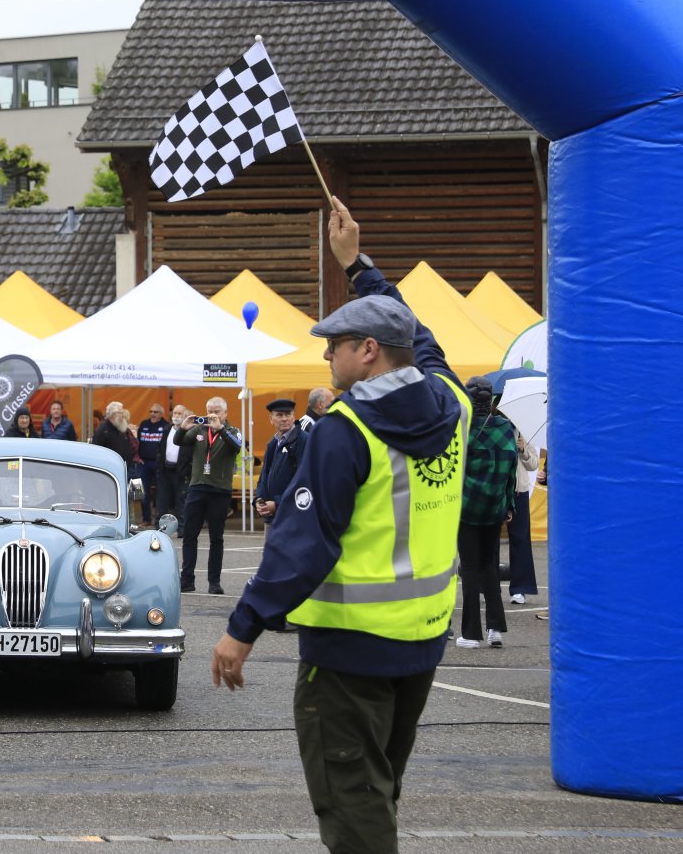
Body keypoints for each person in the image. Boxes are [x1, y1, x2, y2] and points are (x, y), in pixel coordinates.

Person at [212, 196, 470, 854]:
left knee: (355, 804)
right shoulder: (454, 401)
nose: (328, 356)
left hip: (350, 652)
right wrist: (357, 266)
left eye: (336, 345)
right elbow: (420, 337)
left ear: (368, 351)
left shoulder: (343, 431)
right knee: (378, 789)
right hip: (422, 639)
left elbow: (303, 544)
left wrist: (243, 626)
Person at [457, 378, 517, 648]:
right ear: (491, 399)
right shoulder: (505, 428)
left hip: (467, 507)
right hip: (495, 507)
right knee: (488, 566)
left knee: (469, 567)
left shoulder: (463, 429)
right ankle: (496, 629)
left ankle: (471, 634)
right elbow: (511, 471)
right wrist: (509, 505)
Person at [175, 397, 244, 594]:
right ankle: (187, 579)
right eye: (210, 411)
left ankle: (214, 582)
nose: (212, 415)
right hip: (197, 487)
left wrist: (220, 429)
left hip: (219, 490)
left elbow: (236, 446)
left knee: (216, 537)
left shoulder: (232, 431)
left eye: (217, 411)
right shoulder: (199, 429)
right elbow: (178, 441)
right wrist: (182, 428)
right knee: (190, 535)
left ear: (225, 413)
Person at [255, 398, 304, 528]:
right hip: (271, 517)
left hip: (293, 517)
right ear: (271, 419)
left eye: (288, 414)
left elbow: (304, 481)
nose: (284, 419)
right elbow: (264, 476)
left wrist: (278, 503)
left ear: (294, 416)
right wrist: (259, 499)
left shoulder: (303, 441)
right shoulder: (273, 443)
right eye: (279, 415)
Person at [507, 429, 540, 604]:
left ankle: (519, 589)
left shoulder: (523, 432)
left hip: (518, 491)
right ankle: (486, 586)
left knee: (520, 539)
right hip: (495, 489)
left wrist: (523, 450)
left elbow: (533, 464)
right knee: (488, 539)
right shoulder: (492, 426)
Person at [134, 403, 171, 525]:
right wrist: (137, 457)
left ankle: (160, 519)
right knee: (141, 491)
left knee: (161, 492)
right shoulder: (144, 424)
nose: (152, 414)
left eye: (155, 412)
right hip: (144, 463)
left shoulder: (166, 426)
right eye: (151, 411)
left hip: (159, 464)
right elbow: (136, 442)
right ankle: (146, 519)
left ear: (161, 414)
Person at [159, 403, 194, 532]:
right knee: (162, 500)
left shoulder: (189, 431)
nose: (176, 416)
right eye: (175, 413)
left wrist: (187, 470)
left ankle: (182, 529)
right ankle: (160, 528)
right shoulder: (167, 429)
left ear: (185, 415)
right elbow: (161, 449)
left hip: (181, 471)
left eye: (180, 413)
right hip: (165, 469)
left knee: (181, 501)